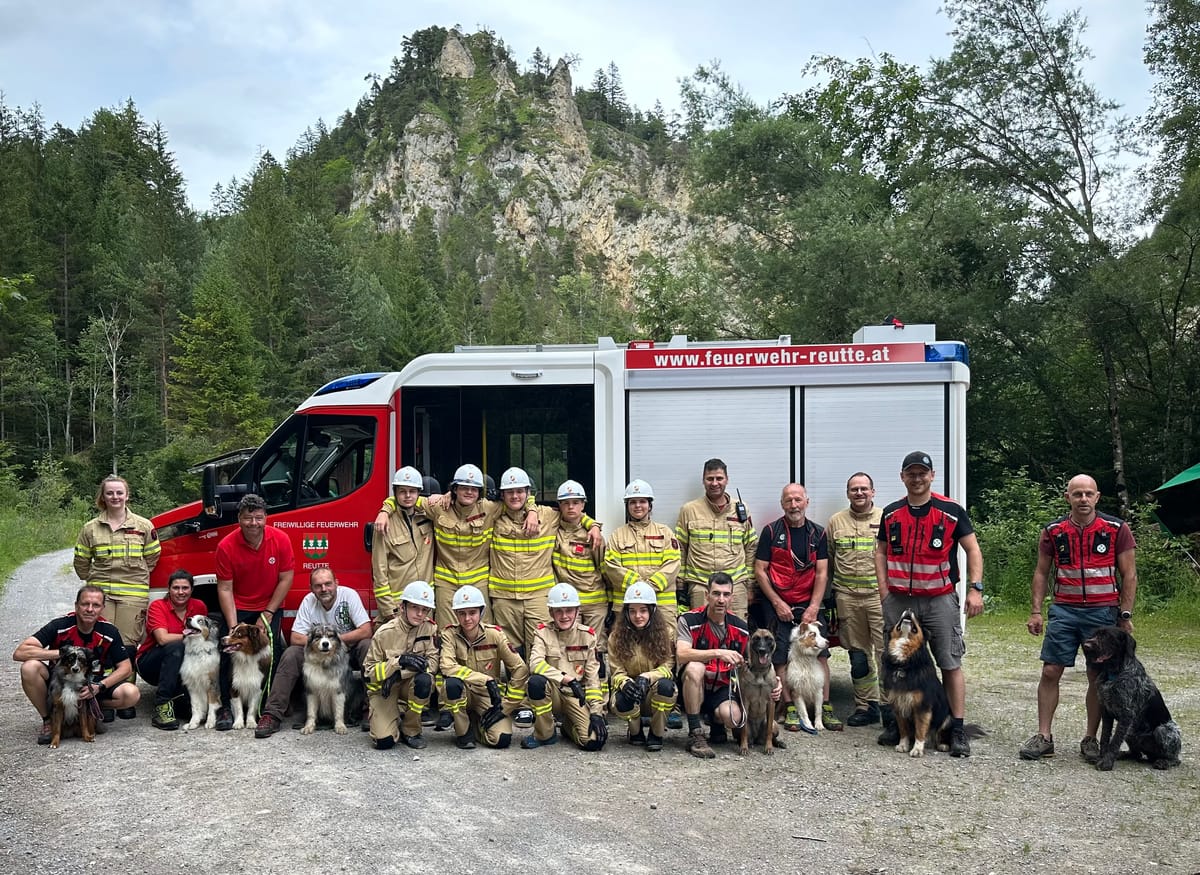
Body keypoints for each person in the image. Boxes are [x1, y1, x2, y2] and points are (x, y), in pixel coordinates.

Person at [1019, 474, 1138, 762]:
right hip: (1065, 609)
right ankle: (1044, 737)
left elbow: (1129, 574)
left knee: (1096, 676)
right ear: (1067, 497)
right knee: (1050, 671)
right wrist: (1036, 611)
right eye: (1077, 494)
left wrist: (1124, 614)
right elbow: (1041, 572)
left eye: (1088, 494)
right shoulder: (1053, 531)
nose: (1083, 499)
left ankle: (1090, 739)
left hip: (1102, 613)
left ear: (1097, 497)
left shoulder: (1115, 529)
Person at [874, 451, 983, 757]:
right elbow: (880, 552)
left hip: (939, 599)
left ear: (932, 476)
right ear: (902, 477)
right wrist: (884, 592)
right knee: (894, 663)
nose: (917, 478)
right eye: (911, 473)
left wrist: (976, 589)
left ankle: (956, 729)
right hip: (899, 599)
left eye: (923, 473)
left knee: (949, 663)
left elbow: (973, 549)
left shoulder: (950, 510)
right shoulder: (892, 513)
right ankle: (899, 724)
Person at [752, 482, 842, 731]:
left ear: (806, 502)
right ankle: (790, 705)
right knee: (779, 652)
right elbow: (760, 571)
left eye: (798, 500)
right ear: (782, 504)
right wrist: (777, 602)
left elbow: (822, 573)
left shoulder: (819, 534)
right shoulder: (771, 531)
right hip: (777, 599)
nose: (794, 505)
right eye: (788, 500)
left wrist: (814, 607)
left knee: (821, 652)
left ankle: (824, 705)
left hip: (808, 599)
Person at [488, 467, 602, 660]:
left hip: (538, 599)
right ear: (502, 494)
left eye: (520, 491)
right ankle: (515, 689)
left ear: (528, 493)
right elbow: (469, 508)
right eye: (510, 492)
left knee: (540, 649)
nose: (515, 496)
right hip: (504, 598)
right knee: (510, 652)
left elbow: (573, 512)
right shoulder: (493, 515)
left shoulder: (548, 515)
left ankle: (539, 689)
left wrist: (594, 526)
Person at [253, 567, 373, 738]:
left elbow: (366, 630)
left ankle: (370, 711)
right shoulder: (308, 601)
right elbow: (295, 637)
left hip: (346, 651)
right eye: (318, 586)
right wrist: (318, 644)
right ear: (312, 588)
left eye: (328, 584)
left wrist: (336, 641)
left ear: (336, 584)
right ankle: (272, 714)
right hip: (316, 653)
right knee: (291, 654)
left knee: (367, 646)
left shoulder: (349, 596)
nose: (324, 589)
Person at [13, 584, 140, 744]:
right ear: (76, 606)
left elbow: (126, 667)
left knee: (131, 693)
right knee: (29, 668)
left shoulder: (109, 631)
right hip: (60, 686)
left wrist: (100, 686)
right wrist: (60, 653)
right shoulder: (60, 625)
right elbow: (20, 653)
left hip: (92, 686)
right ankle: (48, 720)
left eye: (96, 605)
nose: (90, 609)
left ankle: (93, 707)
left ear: (102, 608)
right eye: (85, 604)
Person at [215, 493, 295, 731]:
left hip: (268, 605)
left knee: (272, 656)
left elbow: (286, 578)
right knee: (228, 654)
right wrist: (233, 625)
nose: (253, 523)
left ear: (266, 518)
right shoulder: (225, 546)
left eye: (259, 518)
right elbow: (225, 588)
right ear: (239, 518)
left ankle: (269, 709)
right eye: (248, 518)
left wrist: (269, 612)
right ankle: (226, 709)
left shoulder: (280, 539)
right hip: (238, 606)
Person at [73, 475, 161, 669]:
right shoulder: (90, 529)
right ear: (103, 497)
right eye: (110, 493)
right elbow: (81, 561)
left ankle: (126, 690)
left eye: (119, 492)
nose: (115, 497)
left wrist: (138, 575)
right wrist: (93, 580)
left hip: (132, 594)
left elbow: (152, 557)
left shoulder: (143, 526)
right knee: (97, 640)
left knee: (127, 644)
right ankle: (98, 689)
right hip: (100, 594)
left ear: (127, 496)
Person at [825, 472, 885, 727]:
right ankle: (866, 706)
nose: (859, 493)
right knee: (858, 656)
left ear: (873, 492)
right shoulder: (836, 522)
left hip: (879, 598)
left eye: (864, 489)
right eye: (854, 489)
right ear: (847, 493)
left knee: (887, 655)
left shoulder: (886, 519)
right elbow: (827, 562)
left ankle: (891, 707)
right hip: (847, 597)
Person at [439, 585, 530, 750]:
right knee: (451, 685)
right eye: (462, 613)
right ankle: (463, 732)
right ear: (456, 614)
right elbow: (447, 666)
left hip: (487, 696)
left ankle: (477, 726)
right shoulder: (449, 635)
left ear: (481, 612)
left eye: (472, 613)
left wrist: (507, 706)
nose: (467, 619)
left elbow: (520, 668)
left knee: (501, 739)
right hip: (462, 693)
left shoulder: (495, 634)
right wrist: (485, 679)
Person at [676, 572, 754, 759]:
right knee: (695, 667)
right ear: (706, 595)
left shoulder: (741, 628)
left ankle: (716, 722)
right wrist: (718, 652)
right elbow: (681, 654)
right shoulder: (689, 620)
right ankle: (695, 733)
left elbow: (750, 665)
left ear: (732, 598)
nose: (721, 599)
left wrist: (775, 682)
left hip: (722, 689)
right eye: (716, 593)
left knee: (734, 718)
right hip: (694, 686)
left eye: (726, 595)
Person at [524, 583, 608, 750]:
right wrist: (566, 679)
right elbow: (535, 663)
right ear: (551, 612)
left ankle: (569, 727)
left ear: (577, 611)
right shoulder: (542, 633)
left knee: (593, 742)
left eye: (569, 610)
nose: (564, 616)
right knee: (535, 683)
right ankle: (544, 734)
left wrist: (597, 713)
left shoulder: (588, 636)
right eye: (559, 611)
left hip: (576, 696)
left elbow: (593, 679)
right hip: (552, 691)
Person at [675, 459, 757, 619]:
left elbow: (751, 547)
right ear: (703, 480)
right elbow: (680, 548)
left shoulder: (741, 509)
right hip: (701, 585)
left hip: (735, 586)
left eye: (719, 478)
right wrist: (680, 584)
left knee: (737, 635)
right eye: (710, 478)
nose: (714, 483)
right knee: (701, 635)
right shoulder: (689, 510)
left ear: (727, 479)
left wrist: (750, 585)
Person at [363, 580, 440, 750]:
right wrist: (397, 663)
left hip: (408, 685)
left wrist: (400, 673)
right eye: (415, 608)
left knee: (425, 681)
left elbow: (433, 664)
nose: (420, 614)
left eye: (425, 610)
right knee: (384, 742)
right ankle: (388, 714)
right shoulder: (384, 633)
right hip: (385, 689)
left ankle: (411, 729)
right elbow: (368, 673)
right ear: (403, 606)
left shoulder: (430, 629)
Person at [134, 569, 209, 730]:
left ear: (192, 589)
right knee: (176, 646)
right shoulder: (158, 606)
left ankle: (179, 699)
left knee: (190, 712)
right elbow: (162, 639)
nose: (180, 592)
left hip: (181, 663)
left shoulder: (199, 606)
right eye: (176, 588)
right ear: (169, 589)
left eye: (185, 588)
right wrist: (190, 634)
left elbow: (205, 636)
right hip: (150, 662)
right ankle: (162, 705)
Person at [607, 582, 676, 751]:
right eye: (632, 611)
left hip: (653, 689)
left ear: (652, 611)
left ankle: (656, 733)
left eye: (643, 610)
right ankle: (635, 731)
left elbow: (668, 666)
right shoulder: (616, 637)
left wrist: (647, 677)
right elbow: (616, 671)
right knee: (622, 700)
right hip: (632, 689)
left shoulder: (666, 633)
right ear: (626, 613)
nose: (638, 616)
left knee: (667, 688)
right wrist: (626, 683)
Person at [604, 479, 681, 613]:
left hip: (662, 604)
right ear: (627, 506)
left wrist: (649, 587)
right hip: (627, 605)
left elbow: (673, 565)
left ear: (650, 505)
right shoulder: (617, 535)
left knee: (665, 635)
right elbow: (612, 568)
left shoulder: (665, 533)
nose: (637, 506)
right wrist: (639, 586)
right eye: (632, 502)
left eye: (642, 501)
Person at [371, 466, 435, 623]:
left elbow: (448, 503)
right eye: (402, 491)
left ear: (419, 493)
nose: (407, 496)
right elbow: (379, 570)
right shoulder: (384, 524)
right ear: (395, 493)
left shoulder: (427, 516)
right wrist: (388, 609)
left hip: (425, 603)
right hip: (399, 605)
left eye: (412, 491)